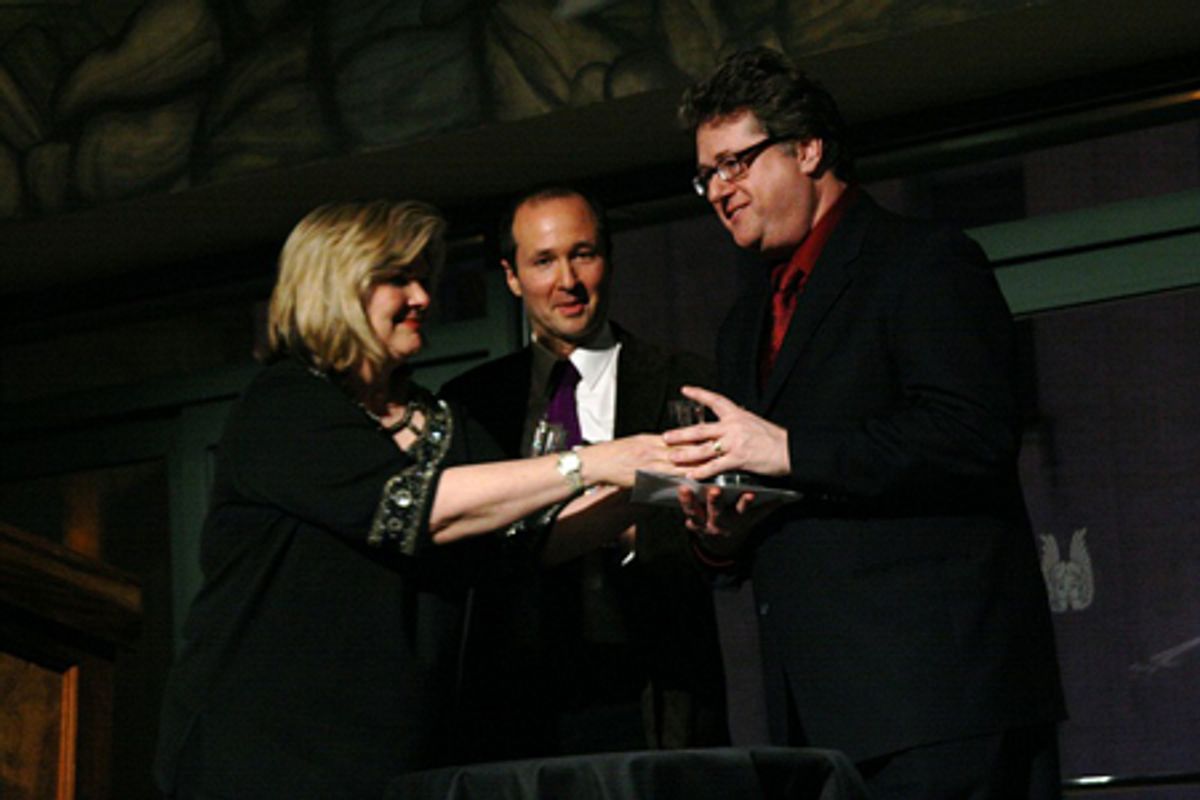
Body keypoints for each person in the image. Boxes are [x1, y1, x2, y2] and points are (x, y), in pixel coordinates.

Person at [153, 200, 680, 799]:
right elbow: (417, 506)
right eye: (397, 278)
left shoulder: (443, 422)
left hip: (394, 761)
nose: (423, 297)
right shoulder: (286, 406)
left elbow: (520, 540)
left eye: (422, 279)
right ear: (336, 286)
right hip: (267, 758)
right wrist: (591, 463)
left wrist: (661, 487)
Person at [665, 47, 1066, 799]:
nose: (721, 190)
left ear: (808, 148)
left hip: (940, 705)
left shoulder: (922, 262)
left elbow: (972, 435)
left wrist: (786, 449)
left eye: (737, 164)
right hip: (815, 720)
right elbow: (789, 489)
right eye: (708, 174)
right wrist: (723, 536)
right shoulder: (745, 315)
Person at [439, 186, 729, 758]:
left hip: (655, 691)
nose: (566, 281)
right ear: (512, 276)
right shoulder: (470, 402)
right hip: (513, 704)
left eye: (583, 254)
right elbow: (461, 549)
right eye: (543, 261)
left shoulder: (687, 381)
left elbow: (721, 534)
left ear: (609, 259)